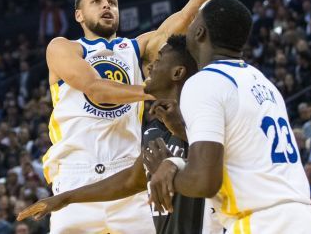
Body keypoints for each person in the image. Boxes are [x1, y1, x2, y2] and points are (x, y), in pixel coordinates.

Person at [39, 0, 264, 234]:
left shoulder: (135, 47)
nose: (107, 6)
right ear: (79, 14)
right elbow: (95, 88)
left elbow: (188, 14)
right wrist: (154, 93)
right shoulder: (64, 47)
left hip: (126, 181)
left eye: (112, 2)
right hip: (76, 178)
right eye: (97, 2)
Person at [147, 0, 311, 233]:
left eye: (192, 22)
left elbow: (204, 182)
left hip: (263, 223)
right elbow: (242, 154)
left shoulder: (204, 81)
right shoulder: (262, 82)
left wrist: (167, 168)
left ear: (200, 32)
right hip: (304, 218)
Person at [17, 35, 222, 233]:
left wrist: (173, 161)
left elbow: (224, 165)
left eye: (158, 61)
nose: (149, 67)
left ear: (177, 73)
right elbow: (131, 181)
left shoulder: (204, 113)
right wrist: (65, 198)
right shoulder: (154, 132)